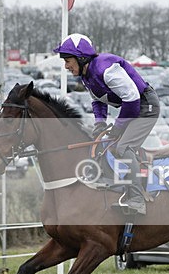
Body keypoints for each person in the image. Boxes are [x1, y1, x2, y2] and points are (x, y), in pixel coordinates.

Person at [54, 33, 160, 215]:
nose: (66, 66)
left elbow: (133, 99)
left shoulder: (105, 69)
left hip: (145, 106)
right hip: (133, 106)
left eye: (67, 61)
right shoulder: (87, 76)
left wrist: (117, 127)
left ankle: (137, 198)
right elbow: (98, 101)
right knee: (105, 146)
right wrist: (100, 124)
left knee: (123, 147)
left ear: (81, 58)